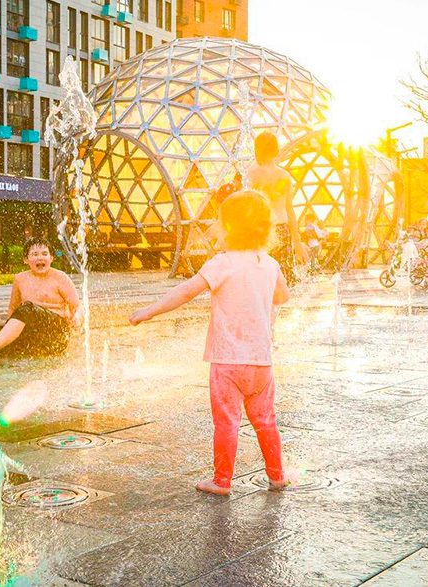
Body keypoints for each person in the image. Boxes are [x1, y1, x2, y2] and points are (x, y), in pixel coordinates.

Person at [129, 190, 291, 495]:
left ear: (228, 227)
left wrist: (149, 311)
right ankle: (277, 476)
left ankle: (221, 481)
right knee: (266, 420)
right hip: (261, 361)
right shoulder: (269, 264)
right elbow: (283, 296)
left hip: (228, 360)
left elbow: (186, 292)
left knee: (227, 422)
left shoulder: (222, 263)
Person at [246, 132, 308, 286]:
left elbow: (245, 206)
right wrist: (297, 242)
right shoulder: (285, 176)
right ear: (276, 150)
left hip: (259, 230)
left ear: (257, 150)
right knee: (282, 279)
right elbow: (289, 210)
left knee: (258, 278)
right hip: (282, 230)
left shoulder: (251, 174)